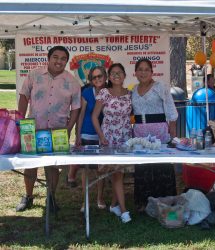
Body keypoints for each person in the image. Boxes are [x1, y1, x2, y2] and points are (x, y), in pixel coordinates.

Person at [16, 46, 81, 212]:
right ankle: (28, 196)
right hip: (34, 128)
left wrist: (69, 128)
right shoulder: (34, 75)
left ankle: (51, 197)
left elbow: (75, 108)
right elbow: (24, 96)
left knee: (53, 165)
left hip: (57, 131)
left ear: (66, 61)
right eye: (55, 57)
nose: (59, 61)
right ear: (49, 58)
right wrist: (20, 120)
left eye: (63, 58)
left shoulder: (72, 81)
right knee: (31, 164)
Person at [132, 58, 178, 212]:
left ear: (152, 72)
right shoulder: (133, 90)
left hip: (159, 132)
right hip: (139, 132)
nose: (143, 72)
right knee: (143, 167)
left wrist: (173, 136)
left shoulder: (160, 87)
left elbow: (171, 112)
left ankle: (164, 202)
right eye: (140, 69)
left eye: (147, 69)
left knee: (161, 166)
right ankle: (143, 202)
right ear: (136, 73)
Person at [92, 63, 132, 223]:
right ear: (109, 77)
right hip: (108, 137)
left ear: (124, 76)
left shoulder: (129, 94)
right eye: (113, 73)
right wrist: (101, 136)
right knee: (116, 173)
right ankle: (123, 211)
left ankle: (115, 205)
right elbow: (94, 117)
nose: (117, 75)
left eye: (120, 73)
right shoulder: (104, 93)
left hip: (125, 136)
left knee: (120, 173)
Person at [68, 66, 107, 212]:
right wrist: (77, 135)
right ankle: (85, 200)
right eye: (94, 77)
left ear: (105, 76)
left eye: (100, 76)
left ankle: (100, 198)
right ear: (91, 80)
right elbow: (81, 115)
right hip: (86, 134)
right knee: (85, 169)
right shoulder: (86, 92)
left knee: (101, 169)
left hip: (103, 136)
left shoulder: (108, 92)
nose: (97, 79)